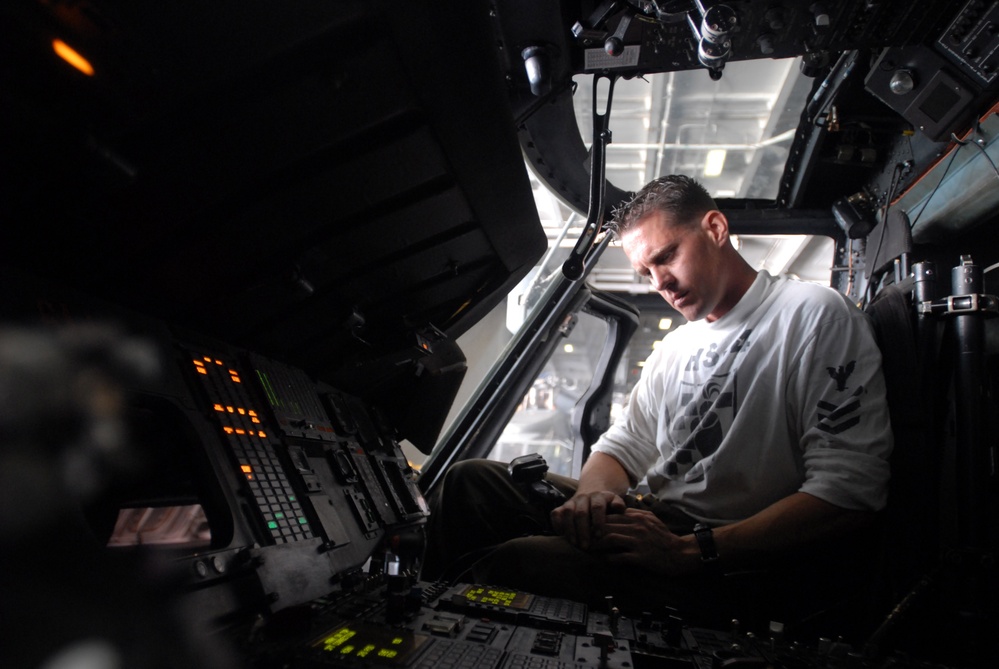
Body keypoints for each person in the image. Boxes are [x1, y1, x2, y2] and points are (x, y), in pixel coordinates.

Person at [422, 175, 893, 628]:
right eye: (645, 271)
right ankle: (412, 622)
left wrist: (688, 552)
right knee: (471, 482)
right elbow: (620, 448)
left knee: (517, 563)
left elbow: (849, 493)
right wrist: (592, 499)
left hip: (735, 558)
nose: (659, 283)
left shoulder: (811, 315)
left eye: (667, 257)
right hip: (660, 518)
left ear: (715, 228)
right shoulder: (675, 348)